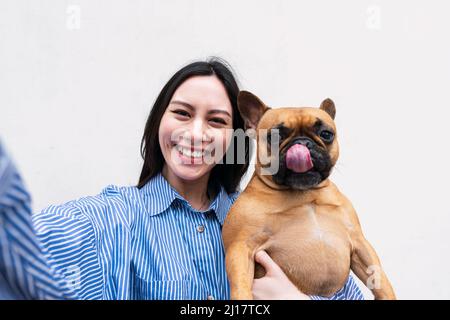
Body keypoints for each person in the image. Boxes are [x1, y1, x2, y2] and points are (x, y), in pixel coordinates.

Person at [0, 58, 363, 300]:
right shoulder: (111, 220)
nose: (196, 133)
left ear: (239, 137)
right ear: (160, 120)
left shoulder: (286, 220)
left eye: (217, 121)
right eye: (182, 113)